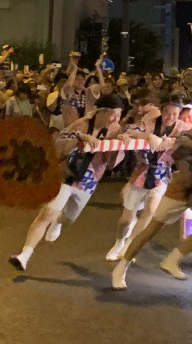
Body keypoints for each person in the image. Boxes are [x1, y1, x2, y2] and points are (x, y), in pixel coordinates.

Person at [111, 99, 192, 290]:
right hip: (180, 189)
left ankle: (172, 260)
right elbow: (181, 143)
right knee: (151, 230)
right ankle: (121, 268)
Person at [9, 94, 129, 271]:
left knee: (68, 219)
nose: (116, 120)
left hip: (89, 179)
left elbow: (111, 163)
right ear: (102, 111)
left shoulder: (115, 130)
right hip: (67, 173)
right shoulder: (81, 124)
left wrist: (122, 147)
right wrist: (80, 138)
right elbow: (58, 147)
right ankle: (24, 255)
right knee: (46, 213)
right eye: (114, 114)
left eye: (119, 116)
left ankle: (58, 222)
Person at [104, 97, 187, 262]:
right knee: (126, 219)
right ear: (161, 111)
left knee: (151, 210)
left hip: (162, 173)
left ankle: (129, 244)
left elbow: (185, 140)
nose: (170, 117)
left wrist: (167, 141)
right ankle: (119, 242)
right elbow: (128, 131)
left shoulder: (182, 127)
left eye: (175, 113)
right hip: (142, 170)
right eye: (167, 113)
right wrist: (148, 136)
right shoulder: (149, 121)